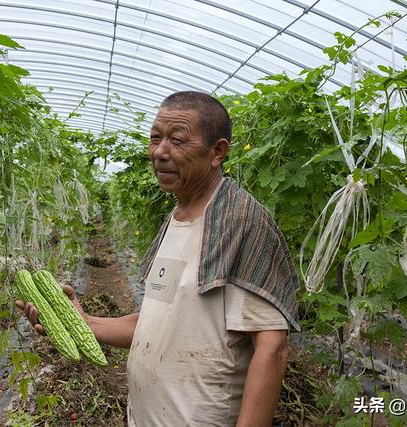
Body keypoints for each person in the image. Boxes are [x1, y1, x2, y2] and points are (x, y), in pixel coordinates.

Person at [16, 91, 300, 426]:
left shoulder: (240, 223)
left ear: (217, 152)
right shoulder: (176, 220)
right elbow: (157, 322)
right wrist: (82, 322)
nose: (160, 152)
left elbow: (272, 348)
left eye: (177, 140)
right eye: (155, 138)